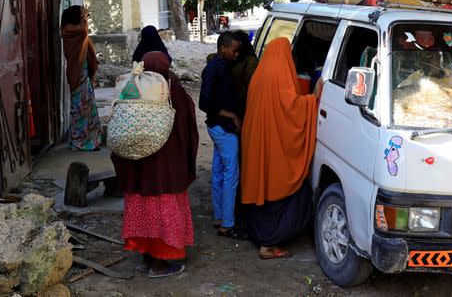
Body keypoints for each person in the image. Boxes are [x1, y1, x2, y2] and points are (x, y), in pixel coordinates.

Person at [111, 52, 198, 278]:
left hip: (137, 169)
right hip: (165, 172)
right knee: (164, 212)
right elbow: (188, 131)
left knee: (142, 210)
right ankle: (161, 263)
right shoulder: (173, 91)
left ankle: (147, 258)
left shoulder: (133, 89)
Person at [241, 37, 320, 259]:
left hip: (257, 143)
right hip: (275, 147)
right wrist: (313, 98)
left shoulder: (260, 75)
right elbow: (291, 107)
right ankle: (268, 245)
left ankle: (261, 239)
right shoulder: (281, 77)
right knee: (283, 189)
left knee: (261, 188)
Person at [199, 32, 244, 240]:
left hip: (219, 127)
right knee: (230, 175)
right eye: (234, 50)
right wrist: (232, 116)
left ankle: (220, 217)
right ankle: (227, 223)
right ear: (222, 48)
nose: (236, 55)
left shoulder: (221, 66)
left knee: (218, 172)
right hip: (222, 127)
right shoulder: (214, 69)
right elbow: (204, 103)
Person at [61, 5, 102, 151]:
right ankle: (82, 141)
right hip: (78, 74)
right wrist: (84, 16)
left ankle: (85, 139)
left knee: (86, 106)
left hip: (81, 73)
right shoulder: (71, 30)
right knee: (81, 108)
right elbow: (84, 29)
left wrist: (83, 15)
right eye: (83, 14)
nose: (86, 17)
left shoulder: (71, 29)